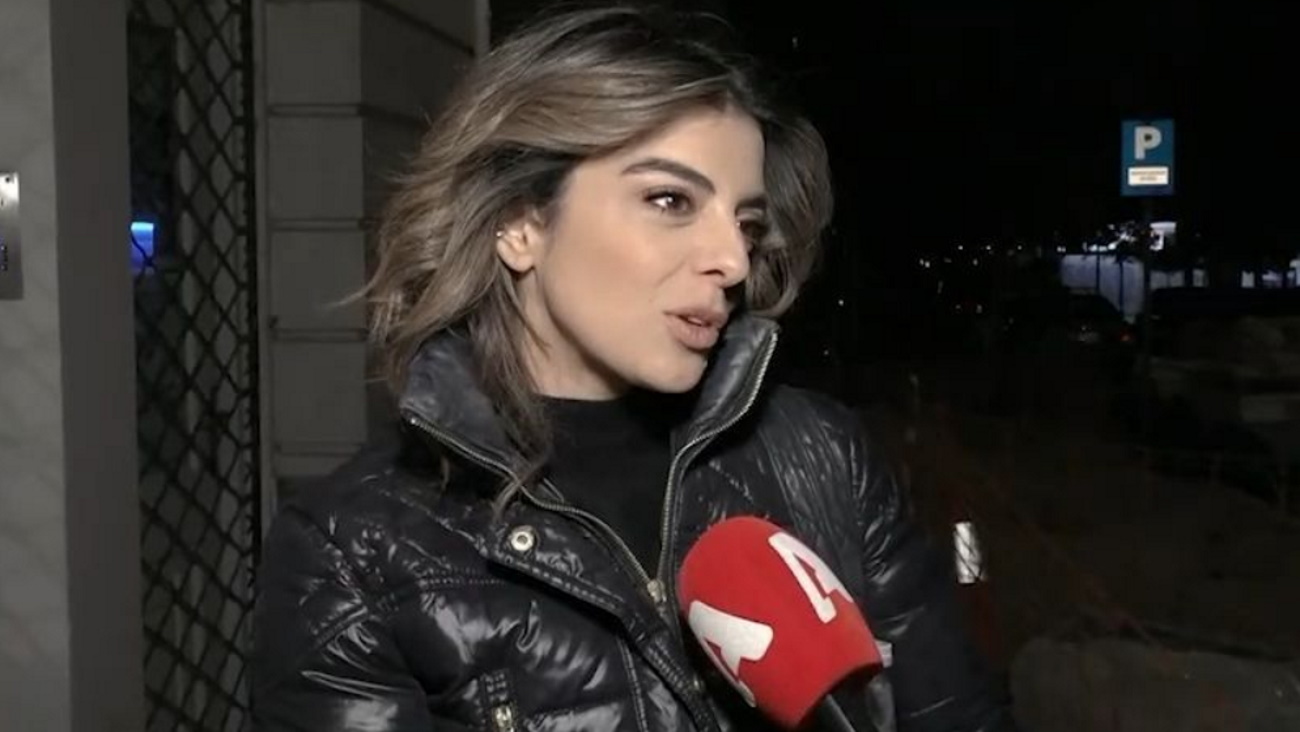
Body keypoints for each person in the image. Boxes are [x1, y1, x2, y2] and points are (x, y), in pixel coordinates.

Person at [250, 4, 1017, 731]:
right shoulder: (351, 552)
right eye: (670, 200)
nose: (731, 259)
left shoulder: (822, 456)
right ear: (520, 221)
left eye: (746, 223)